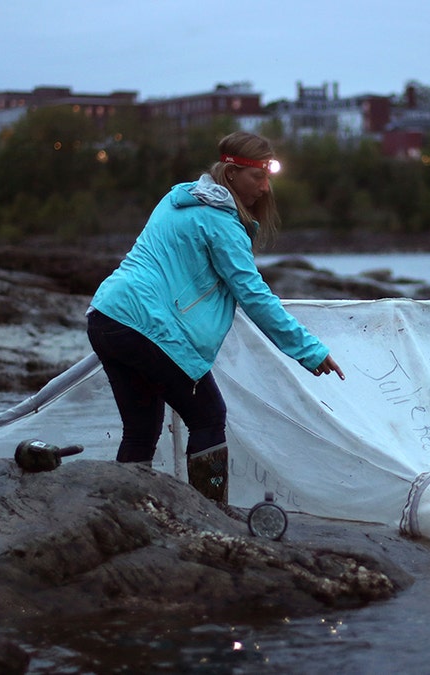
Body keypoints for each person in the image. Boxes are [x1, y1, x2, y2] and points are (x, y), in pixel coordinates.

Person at [86, 131, 344, 504]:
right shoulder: (222, 224)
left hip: (107, 316)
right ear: (232, 173)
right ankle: (208, 515)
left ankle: (123, 513)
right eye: (259, 176)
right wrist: (310, 351)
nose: (266, 188)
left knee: (141, 429)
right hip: (148, 327)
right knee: (208, 416)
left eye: (269, 177)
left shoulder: (177, 199)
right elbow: (255, 297)